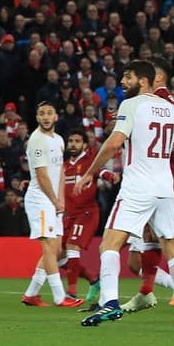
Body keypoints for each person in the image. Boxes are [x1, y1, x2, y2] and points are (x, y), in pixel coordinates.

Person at [74, 61, 174, 327]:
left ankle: (109, 304)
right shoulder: (170, 108)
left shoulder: (132, 105)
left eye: (127, 77)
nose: (122, 82)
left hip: (138, 186)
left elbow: (114, 143)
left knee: (109, 244)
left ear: (143, 81)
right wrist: (164, 151)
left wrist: (90, 172)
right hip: (164, 188)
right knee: (172, 247)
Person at [20, 103, 83, 308]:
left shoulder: (59, 140)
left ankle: (31, 294)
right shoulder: (37, 140)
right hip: (40, 199)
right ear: (37, 118)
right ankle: (59, 296)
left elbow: (61, 172)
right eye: (41, 114)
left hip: (53, 201)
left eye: (49, 113)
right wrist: (55, 200)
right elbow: (42, 175)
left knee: (55, 250)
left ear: (56, 117)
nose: (46, 117)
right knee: (48, 247)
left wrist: (61, 199)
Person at [60, 130, 114, 303]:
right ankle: (93, 278)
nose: (73, 144)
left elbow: (102, 171)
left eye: (77, 141)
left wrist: (110, 176)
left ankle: (71, 293)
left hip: (86, 213)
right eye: (70, 141)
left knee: (71, 246)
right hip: (68, 215)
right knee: (59, 257)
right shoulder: (65, 166)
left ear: (84, 145)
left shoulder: (90, 162)